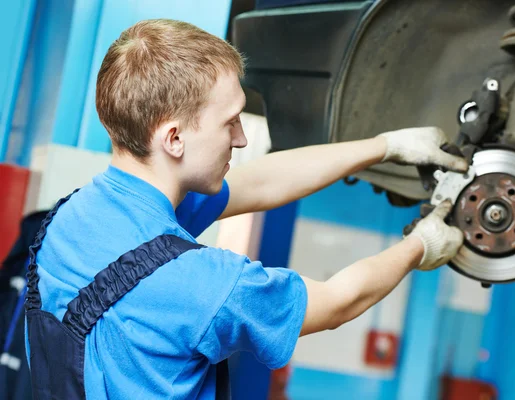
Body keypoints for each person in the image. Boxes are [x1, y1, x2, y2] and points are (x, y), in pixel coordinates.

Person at [23, 19, 466, 399]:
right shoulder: (200, 283)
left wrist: (385, 147)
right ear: (174, 138)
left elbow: (263, 180)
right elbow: (337, 302)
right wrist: (420, 246)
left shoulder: (71, 218)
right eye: (229, 121)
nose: (241, 138)